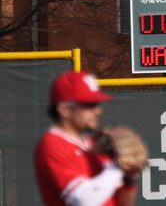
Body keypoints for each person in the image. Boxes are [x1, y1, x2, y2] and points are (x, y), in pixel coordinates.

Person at [34, 71, 144, 206]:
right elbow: (83, 201)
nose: (98, 111)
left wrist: (129, 178)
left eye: (97, 104)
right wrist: (117, 166)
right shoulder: (52, 145)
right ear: (64, 109)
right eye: (89, 105)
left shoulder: (95, 146)